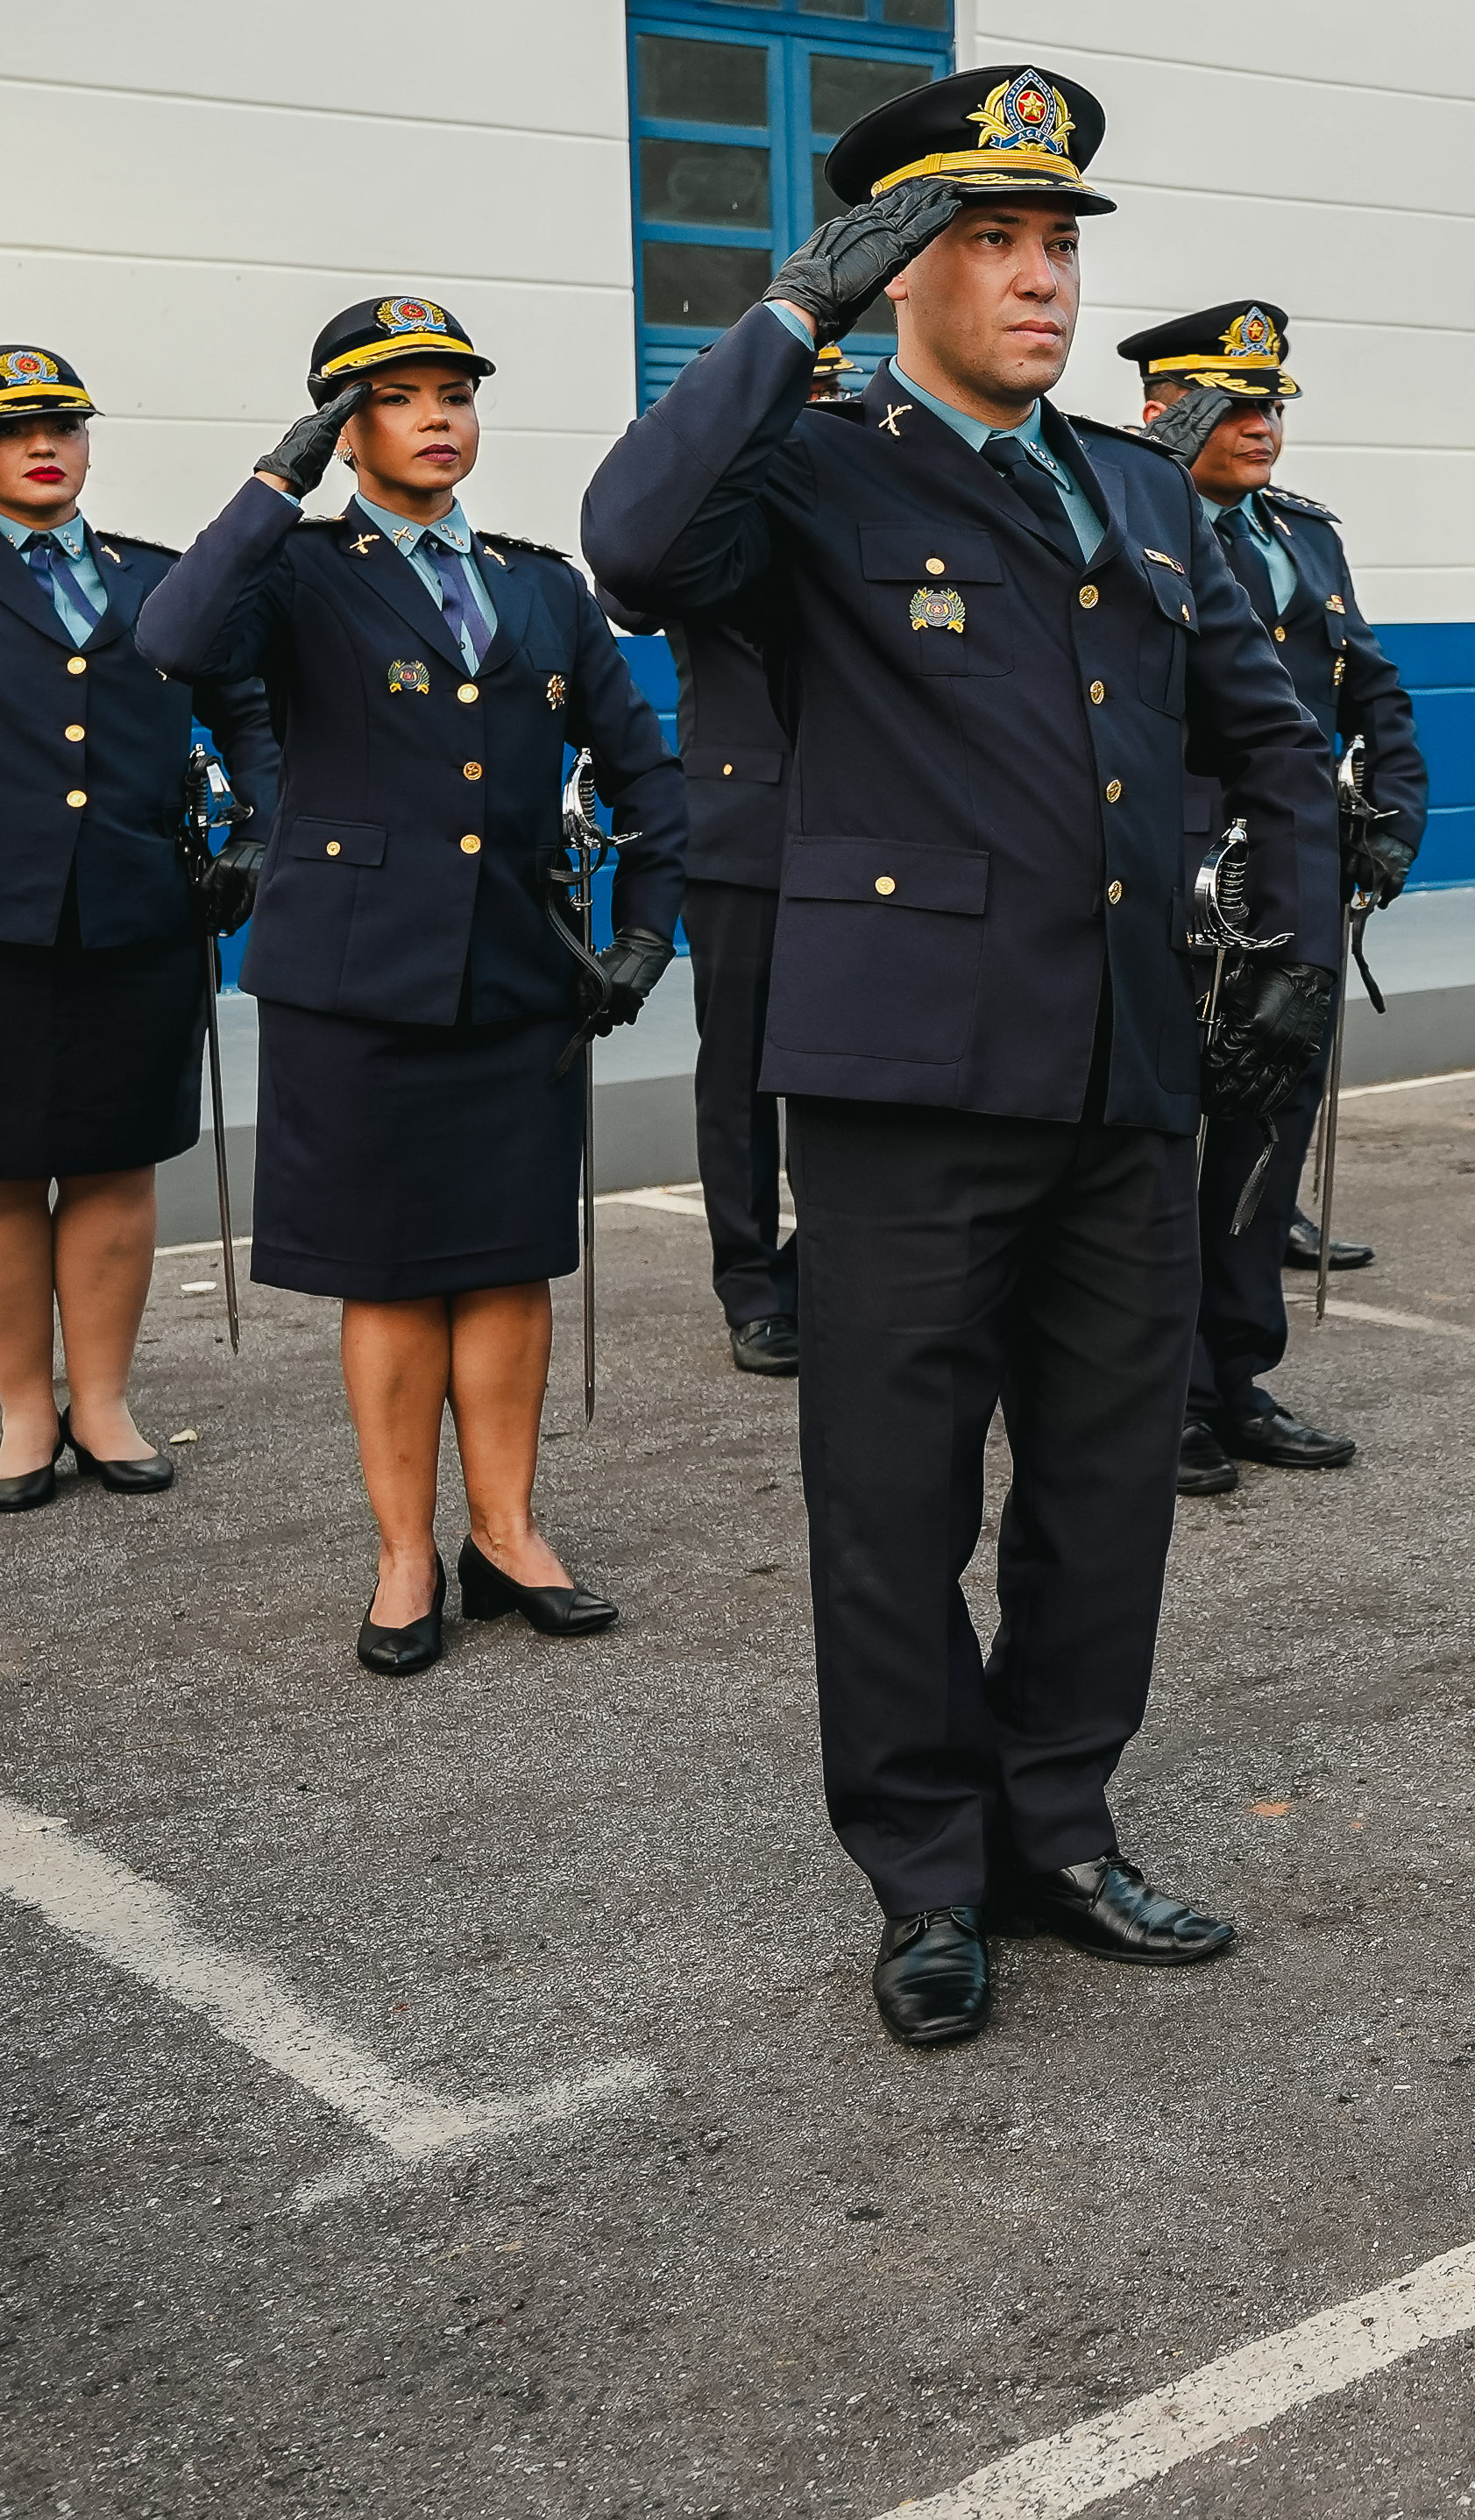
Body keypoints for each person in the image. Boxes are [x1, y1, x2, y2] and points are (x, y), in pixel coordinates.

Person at [584, 66, 1339, 2048]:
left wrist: (1295, 952)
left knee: (1106, 1485)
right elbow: (634, 544)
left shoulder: (1139, 483)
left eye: (1058, 241)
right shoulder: (817, 467)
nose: (1039, 278)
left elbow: (1267, 735)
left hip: (1121, 1066)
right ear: (902, 263)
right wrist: (782, 315)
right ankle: (926, 1873)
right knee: (893, 1496)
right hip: (908, 1077)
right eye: (990, 239)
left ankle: (1059, 1823)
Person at [140, 297, 681, 1667]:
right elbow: (176, 639)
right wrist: (279, 481)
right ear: (344, 423)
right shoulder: (297, 573)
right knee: (388, 1278)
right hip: (357, 981)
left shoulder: (541, 584)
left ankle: (505, 1534)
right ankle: (402, 1555)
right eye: (399, 397)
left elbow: (644, 774)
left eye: (456, 391)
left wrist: (646, 937)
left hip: (515, 975)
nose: (440, 417)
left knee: (505, 1269)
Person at [1135, 302, 1426, 1492]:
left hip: (1293, 874)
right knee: (1159, 1149)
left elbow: (1376, 692)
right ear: (1163, 409)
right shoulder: (1119, 519)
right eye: (1231, 404)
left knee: (1263, 1140)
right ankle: (1159, 1397)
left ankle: (1237, 1374)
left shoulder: (1306, 539)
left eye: (1272, 406)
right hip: (1173, 872)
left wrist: (1397, 813)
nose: (1261, 427)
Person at [0, 348, 274, 1511]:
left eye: (61, 424)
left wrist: (264, 827)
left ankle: (102, 1399)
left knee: (114, 1162)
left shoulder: (161, 582)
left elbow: (251, 708)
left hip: (139, 912)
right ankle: (17, 1403)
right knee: (4, 1174)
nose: (42, 445)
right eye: (14, 432)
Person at [652, 335, 853, 1384]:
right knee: (739, 1074)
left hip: (857, 831)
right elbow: (634, 586)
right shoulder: (699, 520)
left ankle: (829, 1266)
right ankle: (750, 1283)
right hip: (740, 836)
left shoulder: (852, 508)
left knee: (849, 1068)